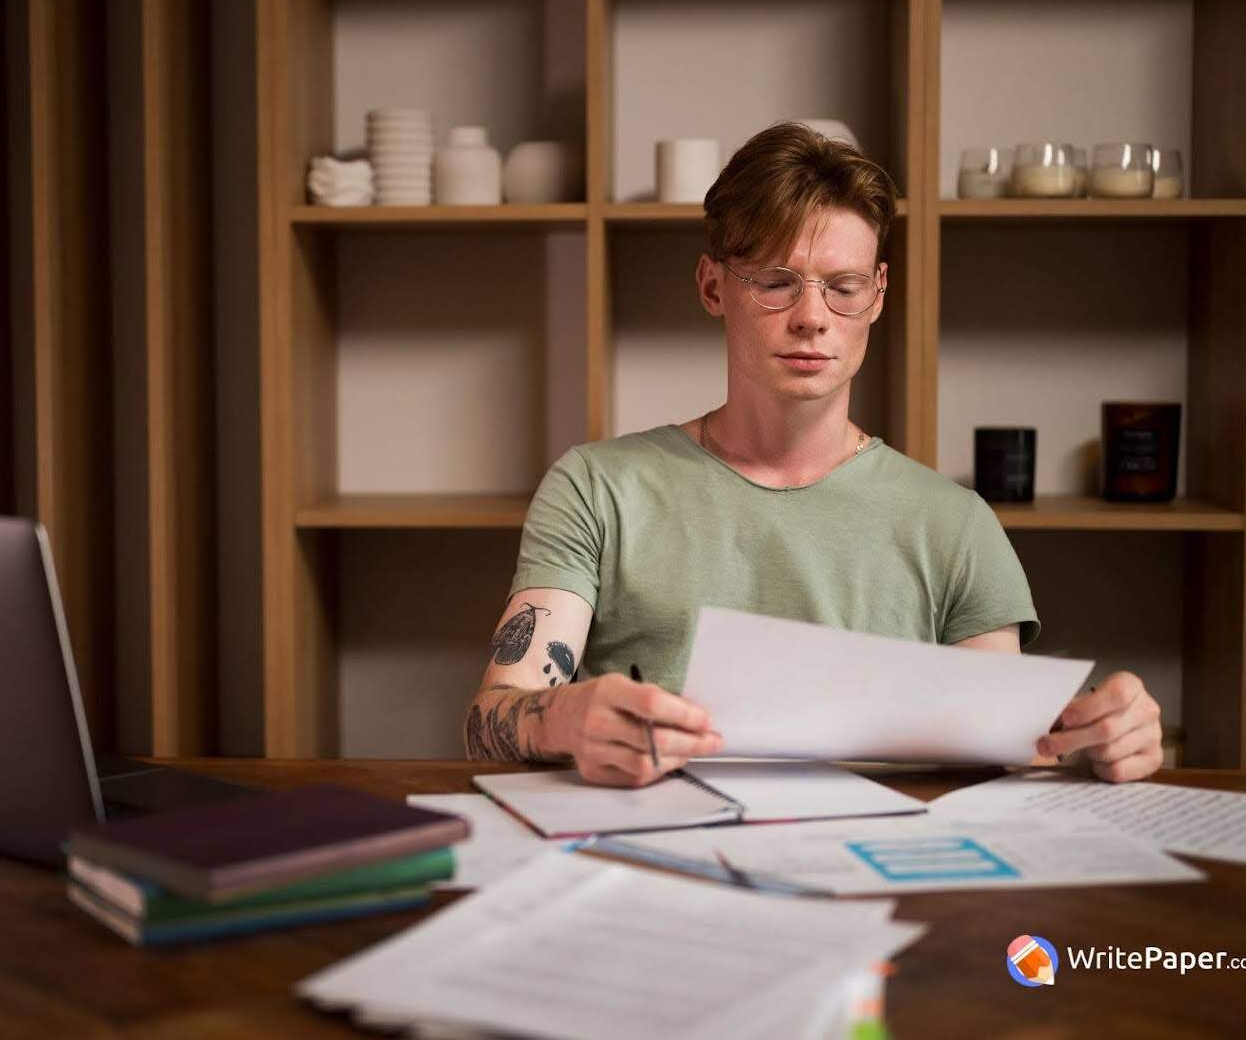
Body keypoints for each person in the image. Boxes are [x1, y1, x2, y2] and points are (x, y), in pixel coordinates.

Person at [462, 122, 1163, 787]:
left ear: (878, 295)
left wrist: (1098, 736)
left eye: (843, 287)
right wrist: (561, 718)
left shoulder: (956, 525)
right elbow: (491, 717)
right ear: (713, 286)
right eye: (776, 283)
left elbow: (1008, 759)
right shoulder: (596, 488)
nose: (812, 317)